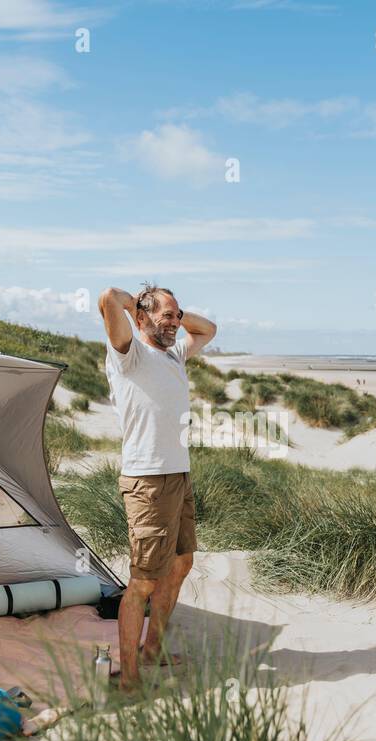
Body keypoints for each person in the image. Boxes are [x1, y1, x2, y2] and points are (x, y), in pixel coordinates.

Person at [99, 284, 217, 691]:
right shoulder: (128, 354)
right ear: (142, 317)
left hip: (179, 475)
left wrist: (174, 315)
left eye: (177, 314)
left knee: (181, 564)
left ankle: (153, 650)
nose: (175, 322)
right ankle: (129, 676)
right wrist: (137, 309)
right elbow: (108, 297)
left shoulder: (174, 354)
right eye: (165, 315)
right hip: (147, 481)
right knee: (144, 581)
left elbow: (209, 330)